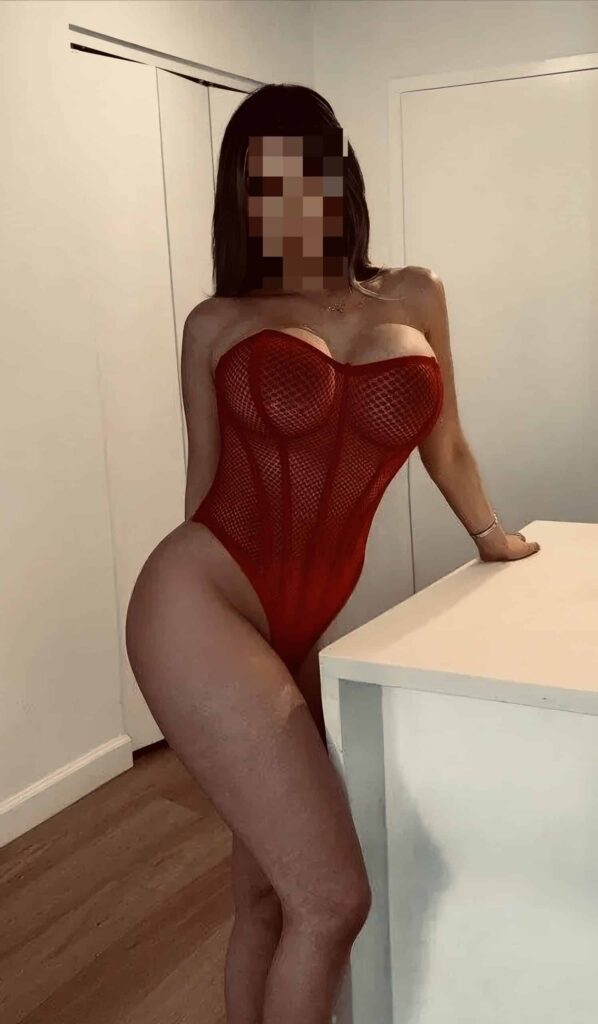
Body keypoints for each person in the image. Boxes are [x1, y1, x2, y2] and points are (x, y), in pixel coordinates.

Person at [125, 83, 539, 1024]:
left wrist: (495, 540)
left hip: (304, 623)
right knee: (334, 900)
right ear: (241, 202)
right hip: (203, 606)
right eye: (260, 187)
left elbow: (448, 445)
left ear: (340, 174)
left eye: (303, 176)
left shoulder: (416, 293)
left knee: (269, 894)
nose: (287, 205)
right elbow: (202, 491)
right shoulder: (216, 322)